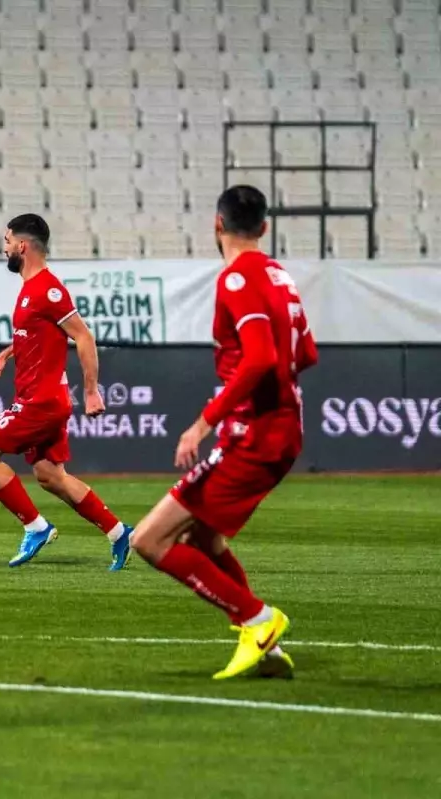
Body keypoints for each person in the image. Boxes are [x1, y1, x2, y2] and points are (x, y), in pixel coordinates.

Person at [130, 185, 318, 680]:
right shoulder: (280, 277)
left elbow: (259, 359)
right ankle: (267, 651)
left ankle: (258, 620)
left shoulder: (237, 279)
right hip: (282, 428)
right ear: (265, 227)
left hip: (254, 435)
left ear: (217, 224)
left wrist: (202, 424)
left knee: (149, 540)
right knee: (204, 538)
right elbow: (306, 354)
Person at [0, 214, 134, 571]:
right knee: (50, 476)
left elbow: (84, 336)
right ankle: (119, 533)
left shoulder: (47, 289)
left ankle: (36, 528)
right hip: (42, 399)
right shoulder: (31, 289)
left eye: (7, 241)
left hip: (39, 402)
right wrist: (5, 354)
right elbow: (35, 334)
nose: (4, 248)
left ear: (22, 246)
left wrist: (91, 391)